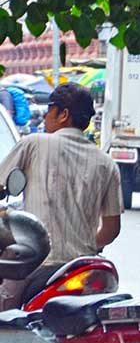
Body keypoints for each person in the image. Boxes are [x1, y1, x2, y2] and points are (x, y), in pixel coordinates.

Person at [0, 84, 122, 309]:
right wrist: (85, 244)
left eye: (49, 110)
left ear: (63, 114)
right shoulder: (107, 163)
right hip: (83, 265)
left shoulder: (34, 143)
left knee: (5, 314)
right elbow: (111, 229)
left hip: (36, 264)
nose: (45, 117)